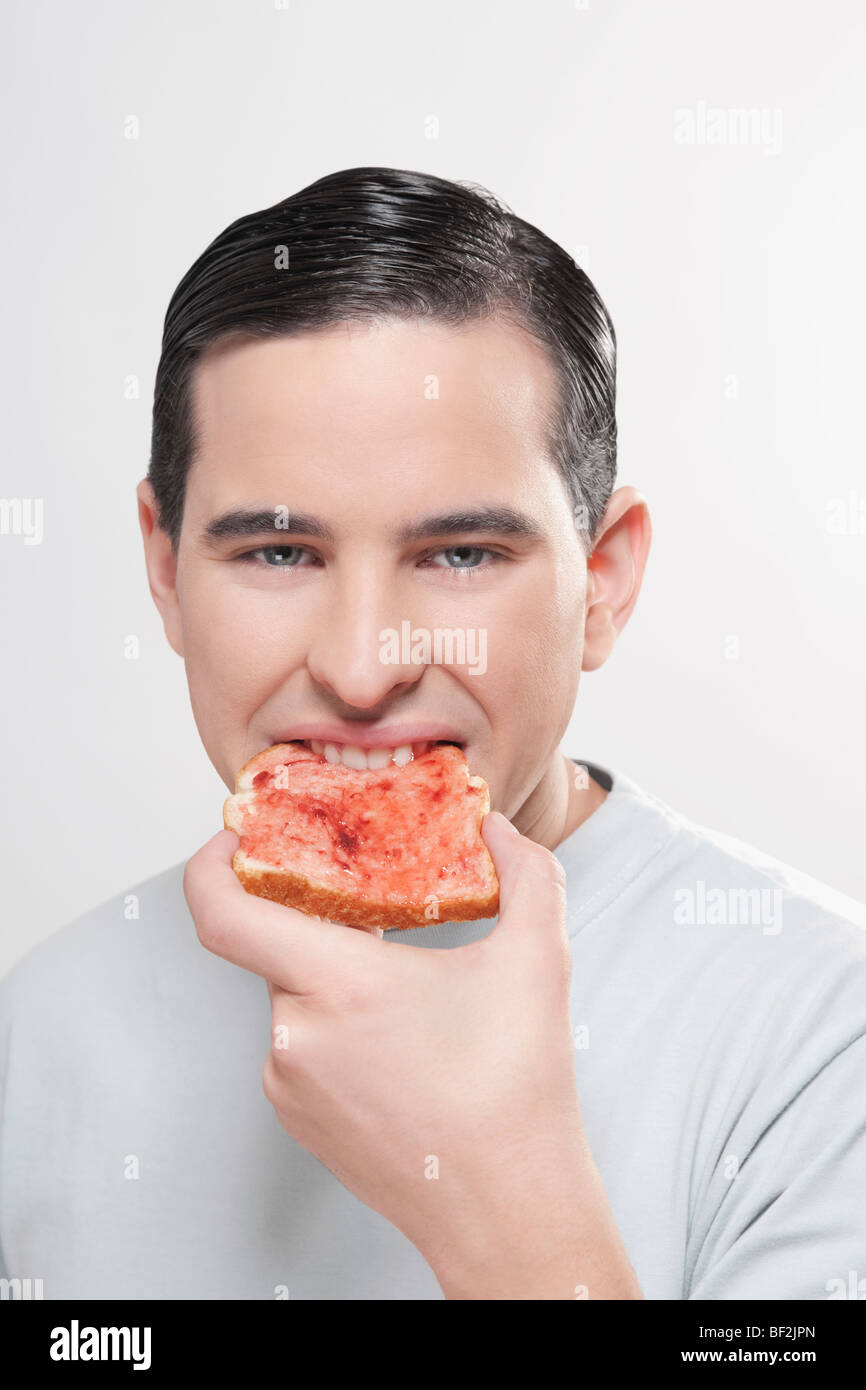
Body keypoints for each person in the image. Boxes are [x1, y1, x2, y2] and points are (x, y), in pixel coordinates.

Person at [2, 167, 864, 1301]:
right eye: (277, 552)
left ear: (599, 583)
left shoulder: (824, 1042)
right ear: (164, 570)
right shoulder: (36, 1031)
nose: (362, 670)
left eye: (459, 554)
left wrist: (501, 1202)